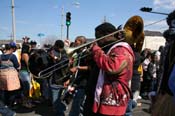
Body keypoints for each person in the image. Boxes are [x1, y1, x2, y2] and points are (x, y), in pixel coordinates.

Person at [83, 21, 136, 116]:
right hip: (98, 98)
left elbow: (112, 67)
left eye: (98, 37)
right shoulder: (108, 48)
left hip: (112, 102)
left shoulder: (121, 48)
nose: (97, 40)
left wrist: (96, 50)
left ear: (107, 35)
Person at [152, 10, 175, 116]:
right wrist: (158, 91)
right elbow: (163, 71)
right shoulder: (168, 48)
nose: (172, 26)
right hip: (166, 95)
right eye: (170, 23)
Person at [68, 36, 90, 116]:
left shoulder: (87, 53)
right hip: (78, 81)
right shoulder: (80, 53)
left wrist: (77, 67)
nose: (74, 43)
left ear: (81, 42)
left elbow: (90, 67)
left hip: (84, 82)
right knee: (78, 104)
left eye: (76, 41)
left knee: (77, 105)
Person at [48, 40, 70, 116]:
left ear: (57, 46)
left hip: (59, 80)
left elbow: (63, 64)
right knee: (56, 100)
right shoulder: (57, 52)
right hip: (55, 79)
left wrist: (54, 57)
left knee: (55, 102)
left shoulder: (64, 54)